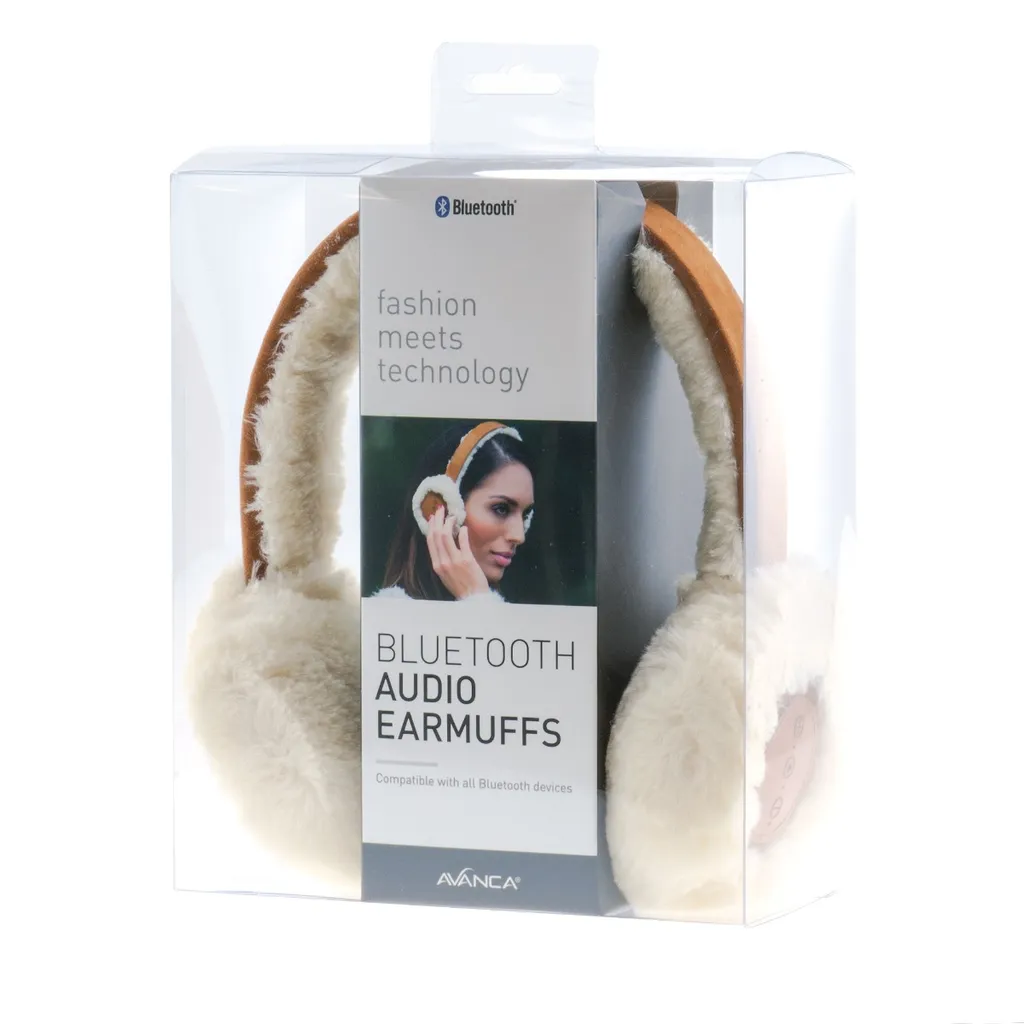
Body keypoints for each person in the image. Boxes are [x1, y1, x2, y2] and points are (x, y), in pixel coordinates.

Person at [376, 422, 535, 602]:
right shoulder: (390, 612)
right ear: (441, 507)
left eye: (525, 514)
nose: (519, 536)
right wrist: (478, 600)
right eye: (501, 509)